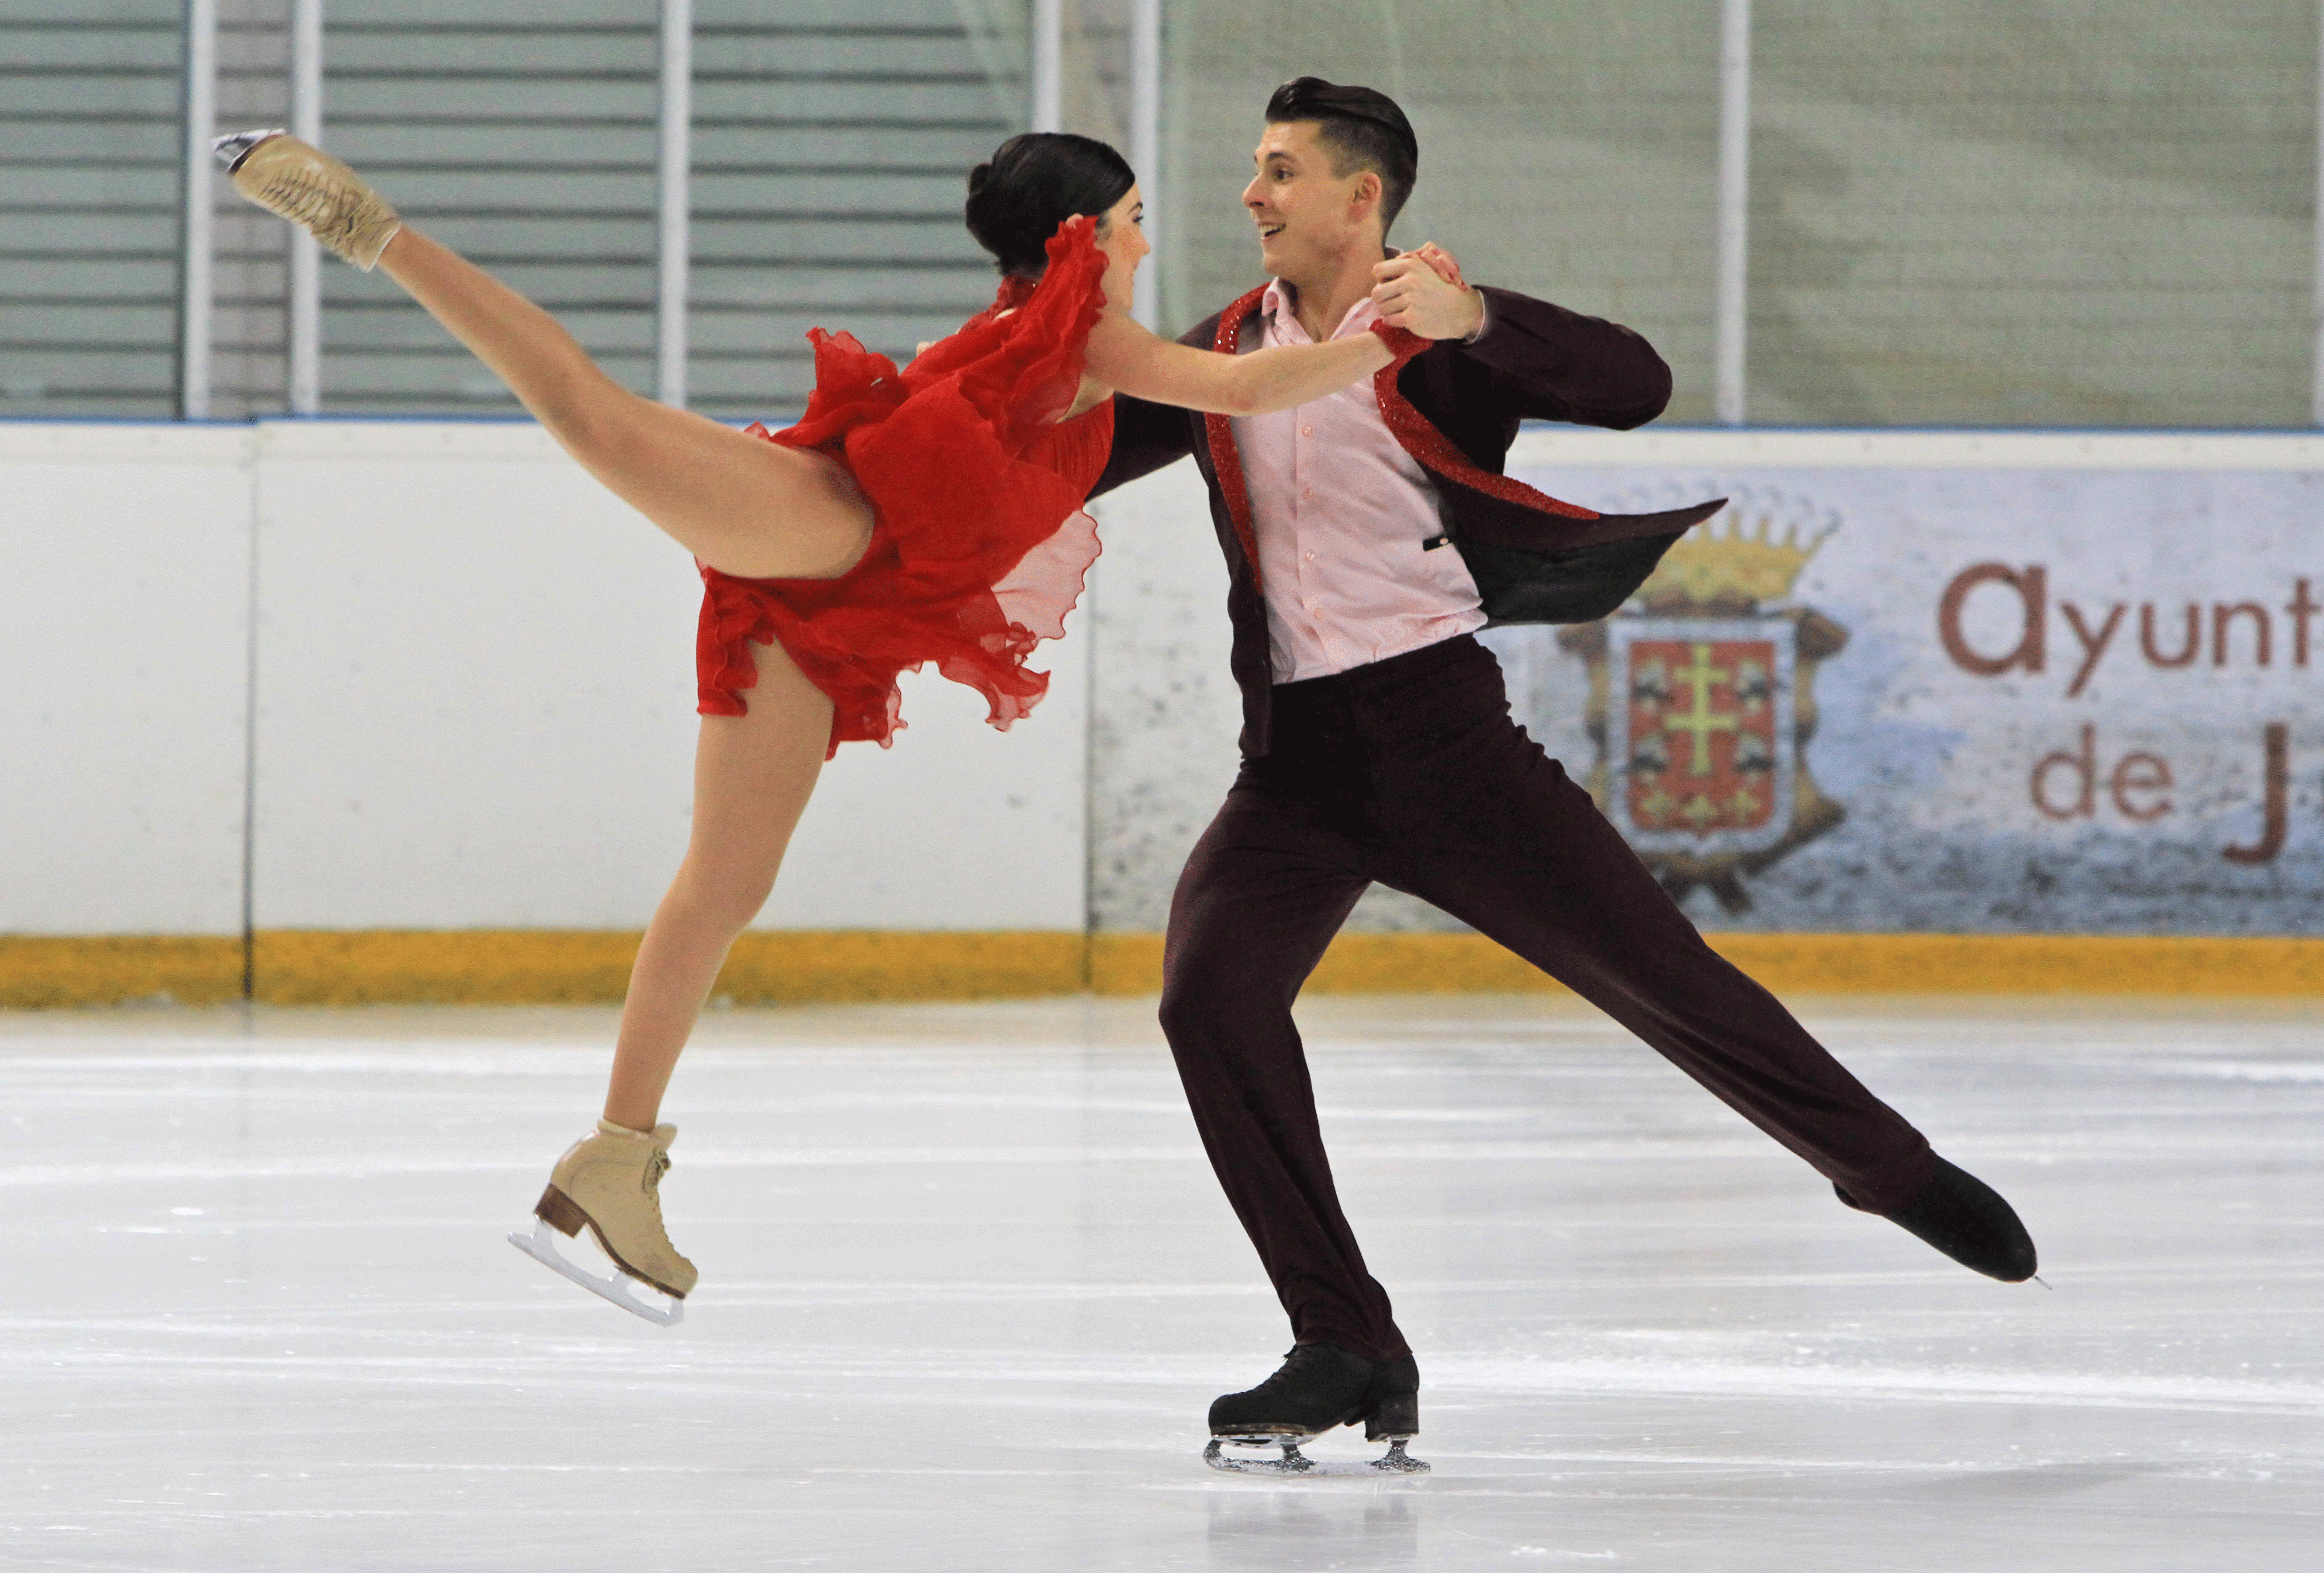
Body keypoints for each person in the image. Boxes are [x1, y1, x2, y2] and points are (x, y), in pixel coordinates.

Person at [215, 125, 1437, 1324]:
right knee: (587, 408)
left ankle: (614, 1162)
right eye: (1128, 220)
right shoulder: (1092, 339)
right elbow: (1244, 386)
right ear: (1080, 238)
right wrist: (1389, 332)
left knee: (723, 888)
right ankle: (371, 229)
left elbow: (1226, 383)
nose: (1146, 237)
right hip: (813, 526)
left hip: (834, 624)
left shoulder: (1063, 342)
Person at [1086, 78, 2038, 1475]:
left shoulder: (1445, 340)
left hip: (1445, 745)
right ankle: (1345, 1341)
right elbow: (1078, 461)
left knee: (1663, 978)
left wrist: (1480, 318)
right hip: (1293, 765)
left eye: (1281, 170)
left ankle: (1887, 1170)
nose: (1252, 195)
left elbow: (1635, 383)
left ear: (1366, 198)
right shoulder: (1225, 349)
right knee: (1208, 1002)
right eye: (1253, 169)